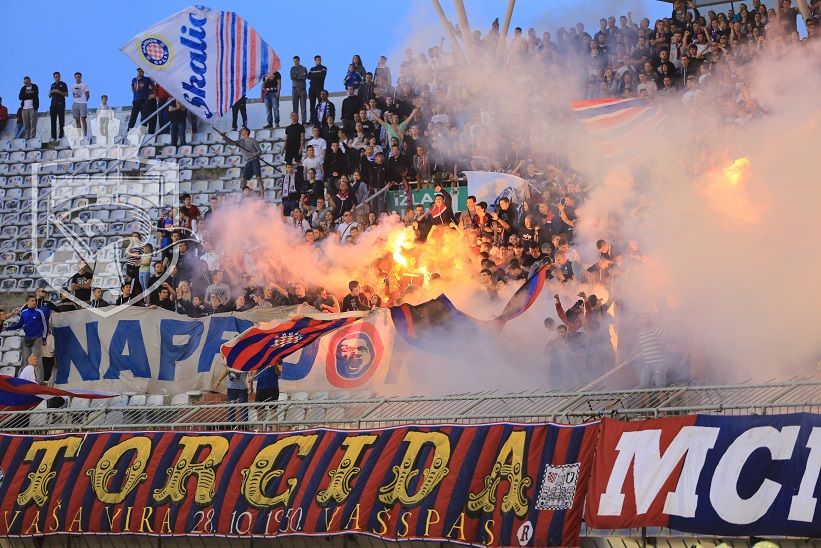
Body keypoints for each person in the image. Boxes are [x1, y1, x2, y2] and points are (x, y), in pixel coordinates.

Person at [6, 295, 49, 383]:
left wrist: (44, 338)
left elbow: (45, 325)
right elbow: (19, 324)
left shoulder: (39, 312)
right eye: (32, 300)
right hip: (27, 337)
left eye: (35, 300)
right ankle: (22, 381)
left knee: (37, 360)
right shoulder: (24, 312)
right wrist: (7, 328)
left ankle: (39, 381)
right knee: (25, 360)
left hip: (37, 337)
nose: (34, 302)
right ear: (27, 302)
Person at [249, 361, 282, 427]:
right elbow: (255, 370)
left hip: (273, 387)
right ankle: (261, 431)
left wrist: (275, 366)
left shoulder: (277, 358)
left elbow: (279, 373)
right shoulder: (261, 357)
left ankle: (274, 431)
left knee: (273, 411)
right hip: (261, 387)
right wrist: (252, 377)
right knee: (259, 411)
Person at [307, 55, 327, 125]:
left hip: (319, 88)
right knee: (312, 105)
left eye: (320, 60)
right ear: (315, 61)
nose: (319, 61)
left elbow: (322, 76)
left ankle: (321, 119)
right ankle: (312, 119)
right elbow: (308, 76)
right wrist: (316, 76)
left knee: (320, 104)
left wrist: (313, 76)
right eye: (317, 60)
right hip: (312, 88)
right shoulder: (312, 69)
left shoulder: (323, 68)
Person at [70, 72, 90, 137]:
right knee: (77, 120)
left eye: (79, 77)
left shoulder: (84, 85)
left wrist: (84, 100)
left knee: (83, 119)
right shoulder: (73, 86)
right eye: (76, 77)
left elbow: (87, 94)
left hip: (82, 103)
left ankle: (85, 135)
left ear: (81, 77)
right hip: (76, 103)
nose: (78, 78)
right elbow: (73, 94)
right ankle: (79, 135)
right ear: (74, 78)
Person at [290, 56, 308, 124]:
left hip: (302, 89)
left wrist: (297, 76)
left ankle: (304, 120)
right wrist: (300, 76)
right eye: (294, 61)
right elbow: (292, 77)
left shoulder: (303, 68)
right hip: (295, 89)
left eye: (296, 61)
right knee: (295, 106)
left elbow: (304, 77)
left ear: (299, 61)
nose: (295, 62)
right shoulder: (292, 69)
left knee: (303, 106)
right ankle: (295, 120)